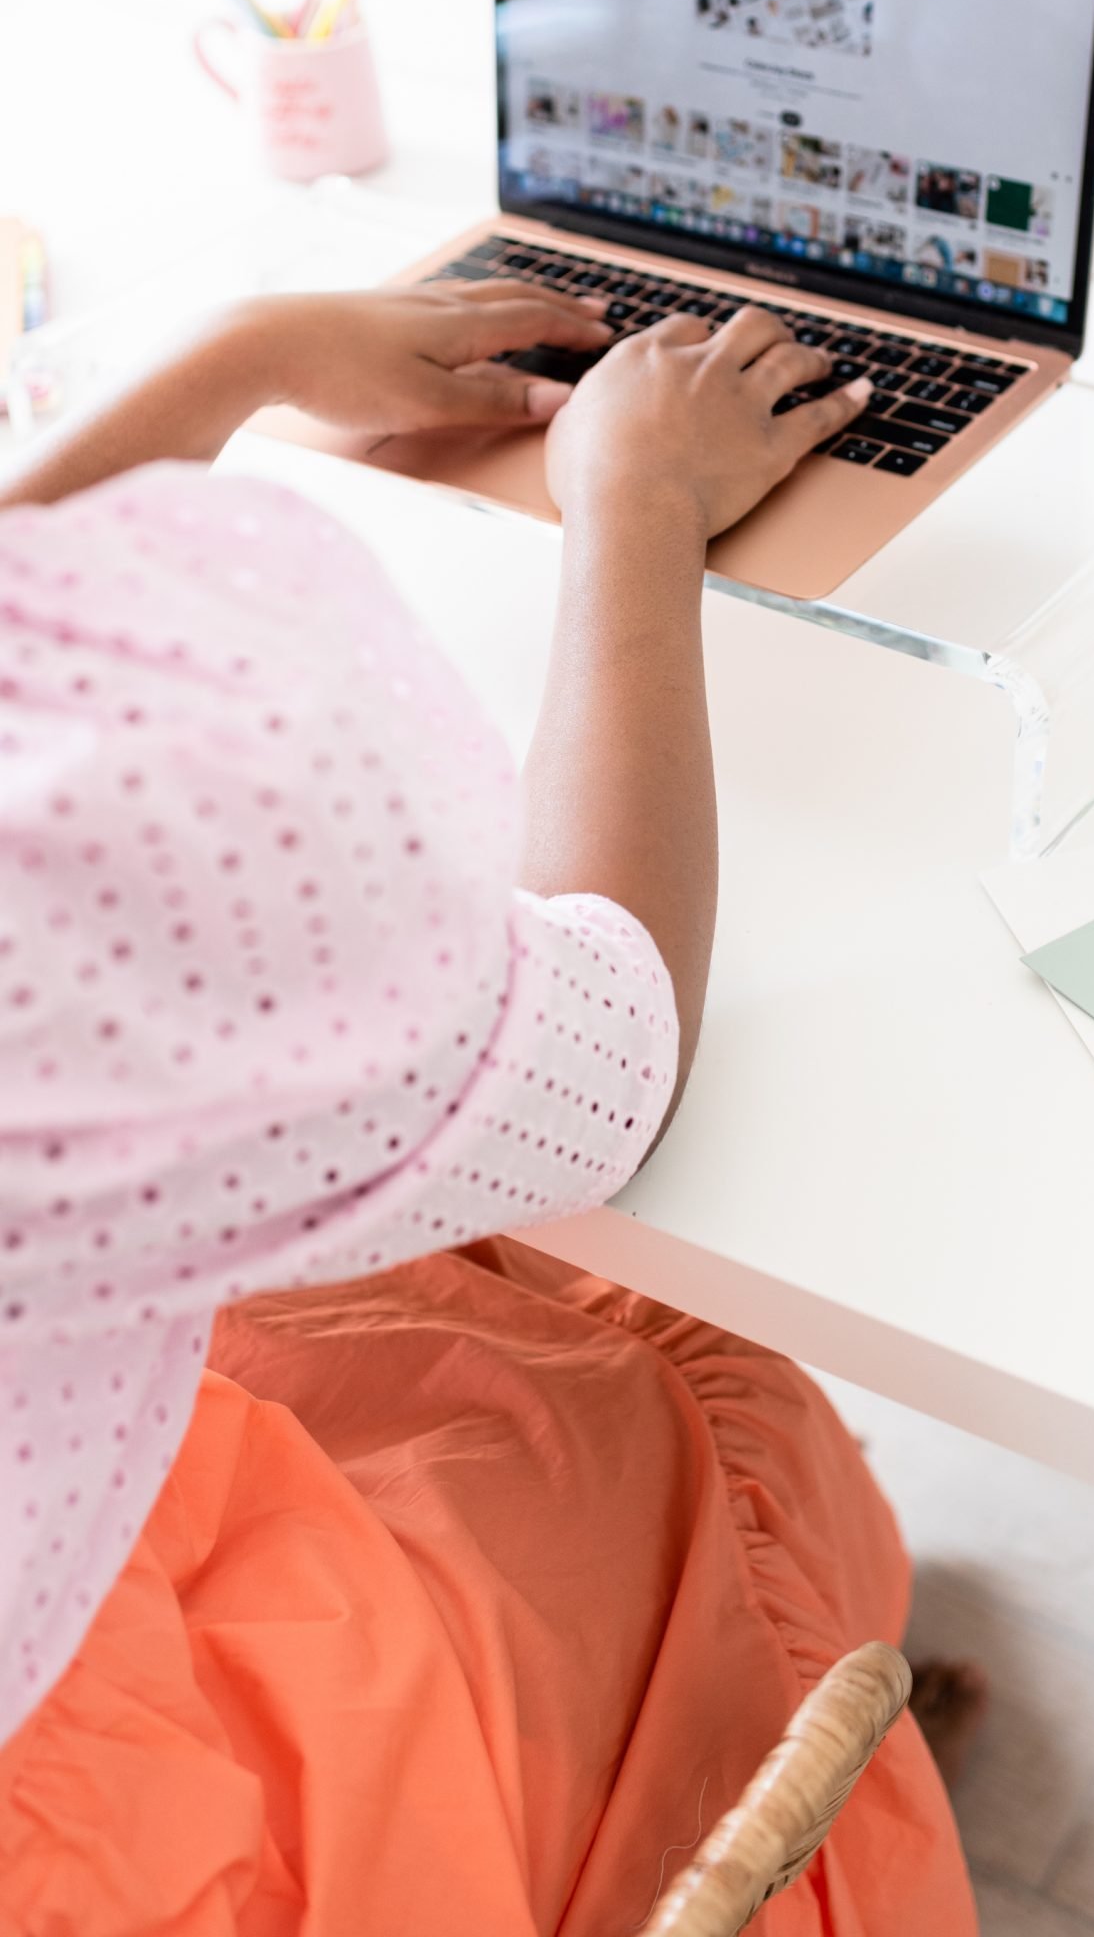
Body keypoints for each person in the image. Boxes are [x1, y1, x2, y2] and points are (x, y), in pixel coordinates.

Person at [0, 280, 982, 1933]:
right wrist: (639, 507)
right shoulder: (85, 927)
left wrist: (235, 365)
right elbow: (612, 1053)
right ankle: (755, 1729)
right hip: (129, 1828)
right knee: (637, 1376)